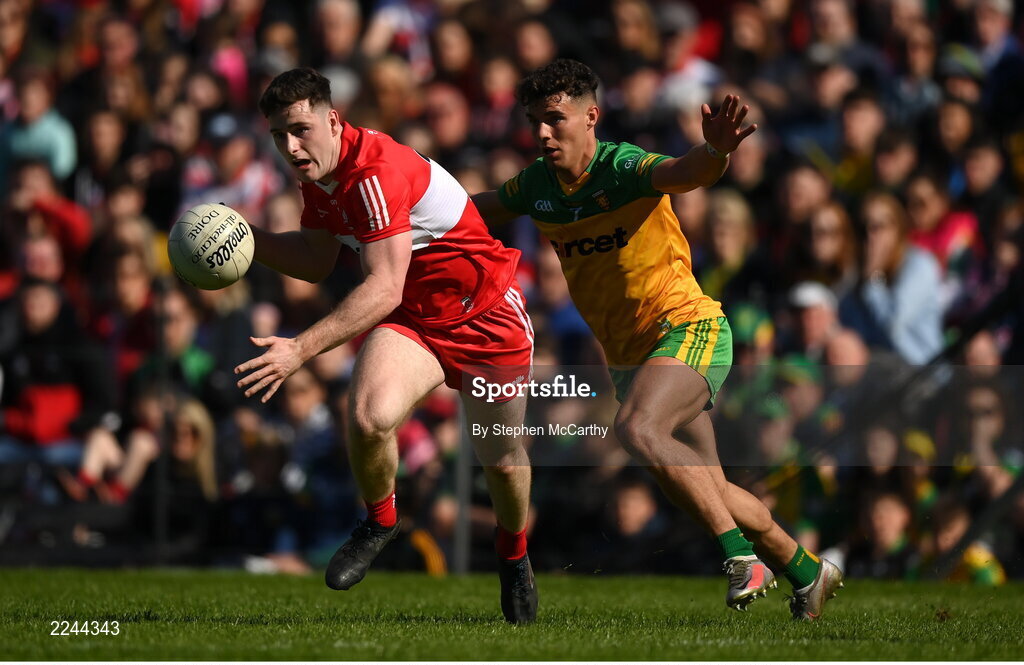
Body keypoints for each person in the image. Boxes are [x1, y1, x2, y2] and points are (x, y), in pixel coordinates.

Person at [472, 59, 843, 619]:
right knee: (706, 487)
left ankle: (741, 558)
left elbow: (686, 172)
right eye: (534, 122)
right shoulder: (537, 187)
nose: (543, 133)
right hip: (630, 357)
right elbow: (474, 209)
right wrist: (409, 207)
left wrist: (716, 153)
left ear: (591, 116)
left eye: (555, 119)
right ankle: (808, 572)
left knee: (637, 429)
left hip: (687, 328)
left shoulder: (622, 167)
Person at [232, 68, 537, 623]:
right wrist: (247, 242)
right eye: (279, 136)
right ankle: (381, 519)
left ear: (332, 119)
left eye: (300, 130)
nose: (291, 147)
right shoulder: (320, 175)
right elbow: (319, 258)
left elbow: (382, 286)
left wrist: (298, 350)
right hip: (416, 318)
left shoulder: (373, 171)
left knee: (503, 465)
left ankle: (514, 556)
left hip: (487, 315)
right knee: (370, 417)